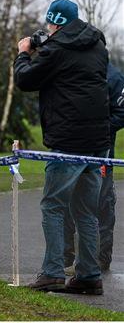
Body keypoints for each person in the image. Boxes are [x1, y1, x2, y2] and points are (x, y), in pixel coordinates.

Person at [14, 0, 109, 295]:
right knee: (86, 211)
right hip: (97, 141)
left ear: (54, 22)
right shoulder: (98, 46)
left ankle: (53, 271)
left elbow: (25, 79)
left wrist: (23, 53)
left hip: (68, 140)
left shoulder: (56, 49)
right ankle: (89, 274)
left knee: (53, 206)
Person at [63, 62, 124, 274]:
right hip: (71, 148)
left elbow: (122, 111)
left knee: (101, 202)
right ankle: (68, 257)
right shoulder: (73, 70)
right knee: (69, 202)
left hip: (101, 152)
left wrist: (98, 130)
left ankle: (100, 258)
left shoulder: (113, 76)